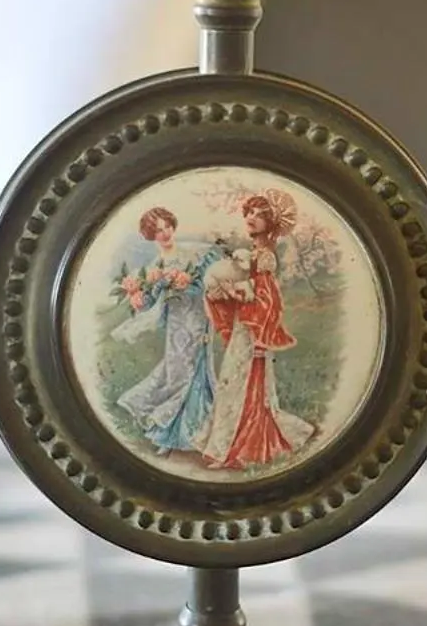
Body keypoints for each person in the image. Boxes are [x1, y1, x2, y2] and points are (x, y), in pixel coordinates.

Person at [202, 189, 319, 470]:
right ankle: (230, 447)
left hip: (254, 329)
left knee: (247, 385)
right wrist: (223, 294)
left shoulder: (264, 256)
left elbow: (268, 299)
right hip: (244, 326)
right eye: (250, 212)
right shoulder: (252, 253)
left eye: (259, 215)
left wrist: (242, 299)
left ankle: (240, 450)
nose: (251, 218)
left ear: (271, 224)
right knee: (233, 382)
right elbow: (247, 293)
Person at [112, 207, 216, 457]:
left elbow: (208, 286)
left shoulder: (194, 253)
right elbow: (150, 302)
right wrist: (140, 296)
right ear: (151, 235)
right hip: (176, 325)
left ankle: (195, 434)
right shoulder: (154, 267)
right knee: (175, 373)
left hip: (198, 318)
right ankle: (169, 432)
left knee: (194, 373)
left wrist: (187, 284)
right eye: (158, 231)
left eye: (167, 226)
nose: (165, 233)